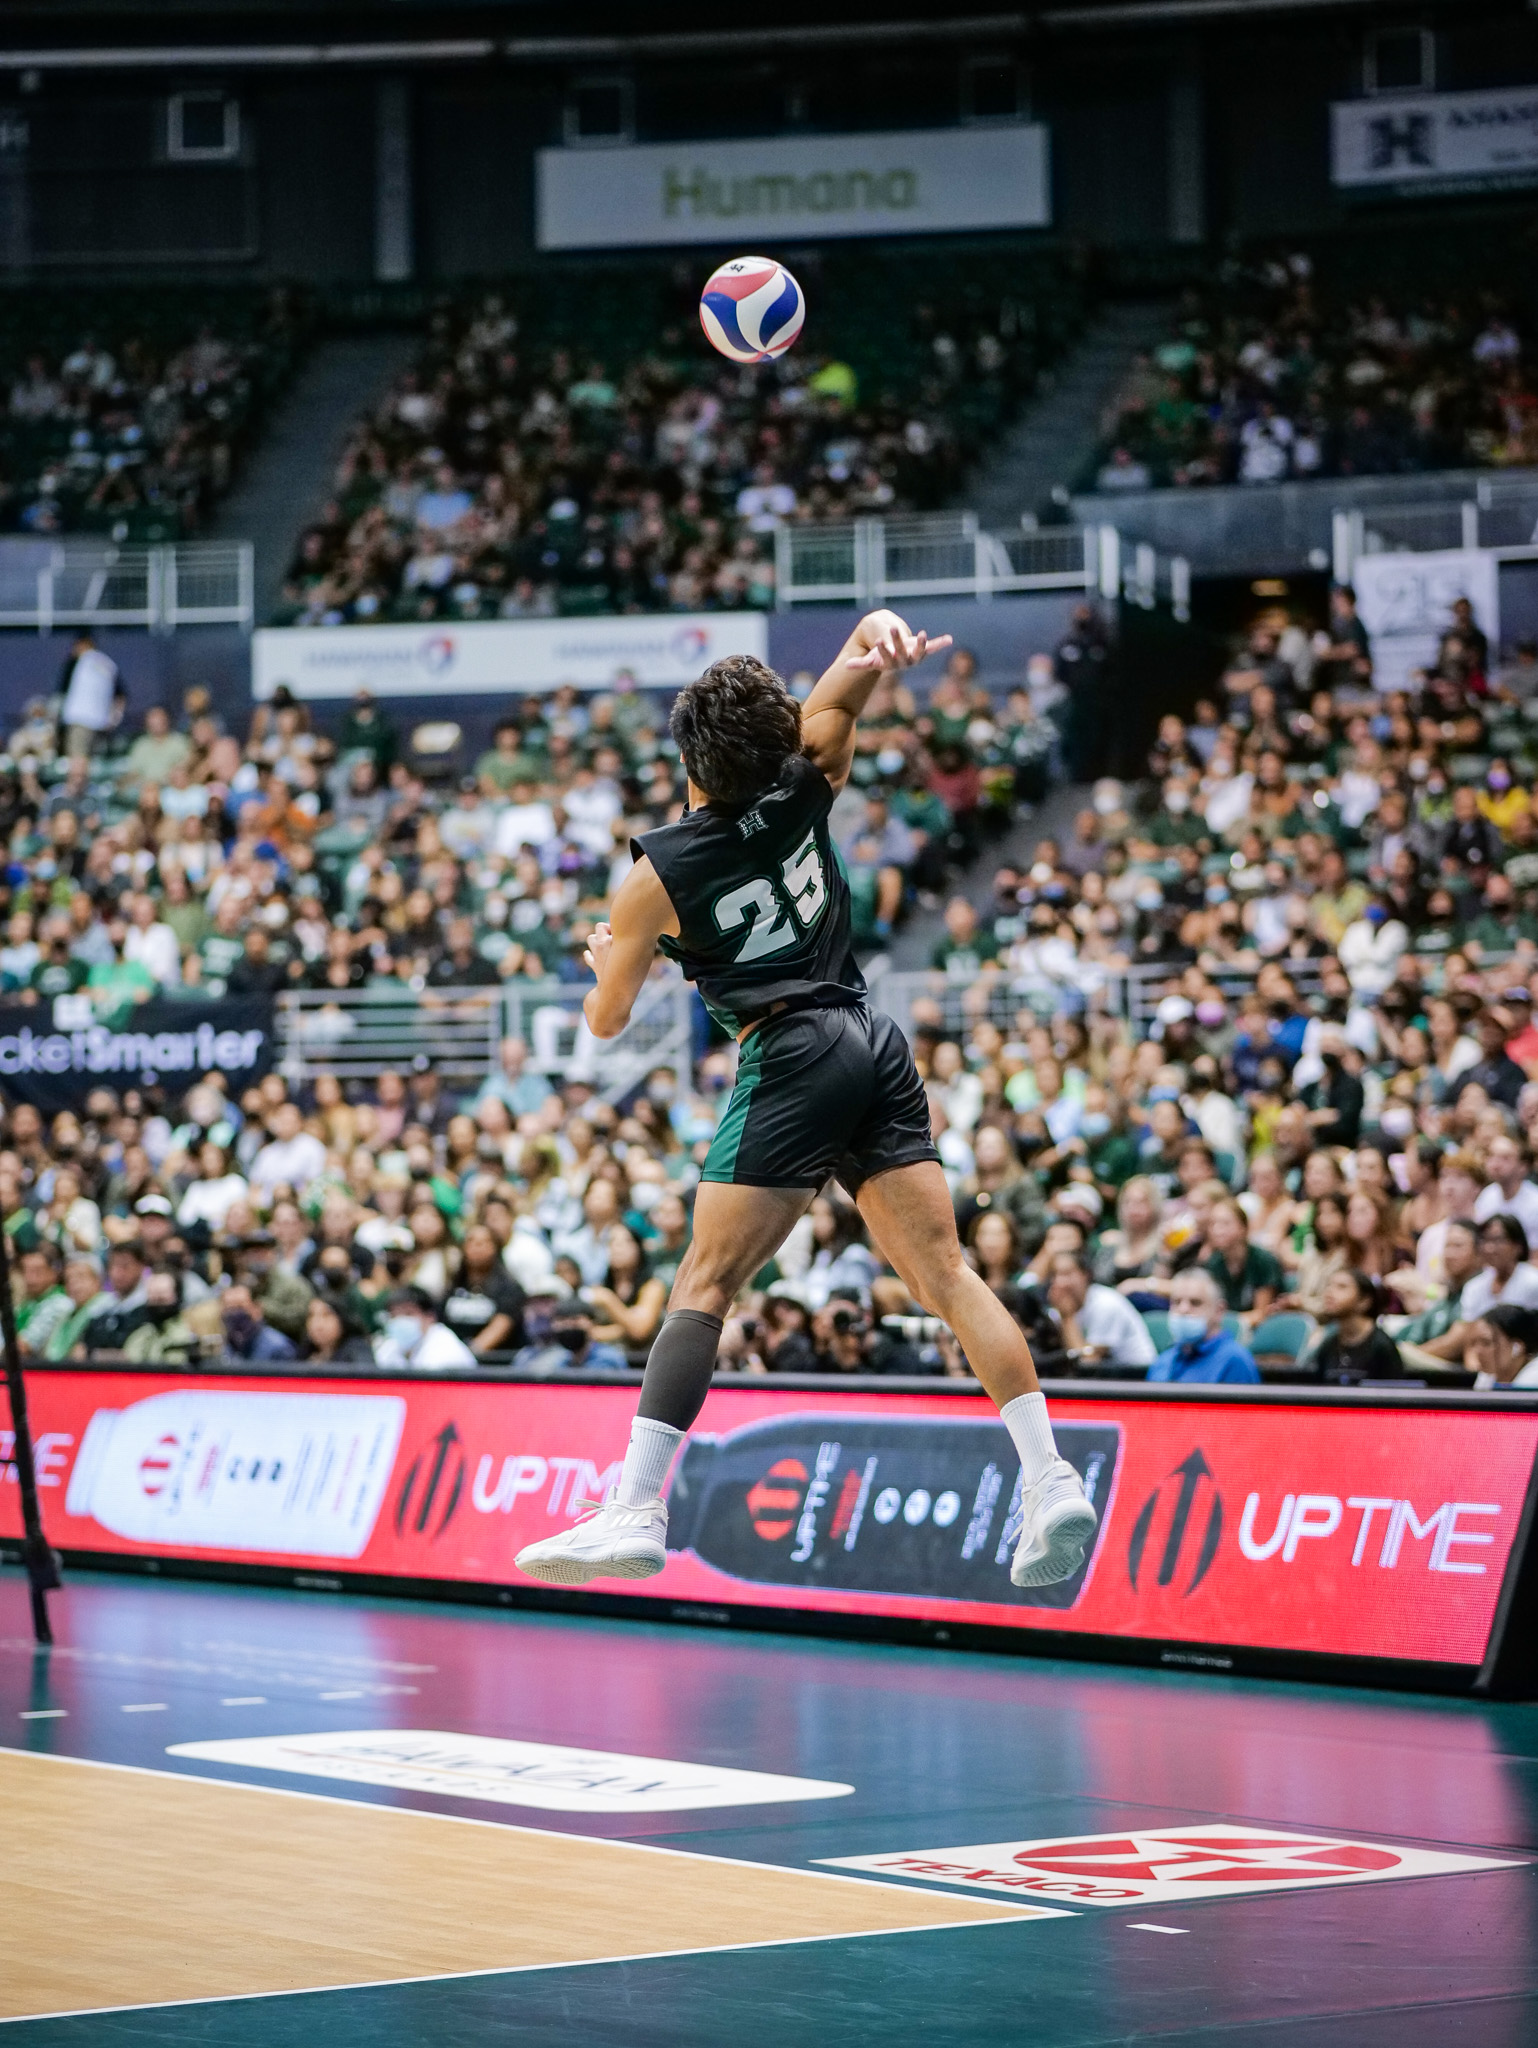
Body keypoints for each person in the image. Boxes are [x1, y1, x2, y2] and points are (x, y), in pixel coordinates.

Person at [516, 613, 1097, 1587]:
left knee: (702, 1281)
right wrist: (873, 633)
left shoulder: (652, 876)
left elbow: (607, 1020)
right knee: (948, 1276)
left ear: (689, 763)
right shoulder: (806, 773)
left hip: (787, 1050)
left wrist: (600, 963)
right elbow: (843, 681)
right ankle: (1048, 1478)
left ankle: (634, 1506)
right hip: (870, 1036)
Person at [1044, 1250, 1157, 1368]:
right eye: (1054, 1275)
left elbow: (1088, 1363)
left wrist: (1067, 1318)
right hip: (1108, 1378)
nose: (1059, 1282)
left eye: (1066, 1274)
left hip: (1138, 1377)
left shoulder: (1106, 1303)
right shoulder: (1057, 1310)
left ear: (1085, 1275)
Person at [1147, 1268, 1260, 1383]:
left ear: (1219, 1310)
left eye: (1195, 1303)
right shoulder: (1163, 1360)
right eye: (1177, 1302)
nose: (1183, 1309)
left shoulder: (1235, 1361)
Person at [1302, 1269, 1404, 1382]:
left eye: (1341, 1287)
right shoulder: (1328, 1344)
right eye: (1328, 1285)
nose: (1329, 1293)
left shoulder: (1382, 1346)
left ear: (1364, 1301)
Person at [372, 1284, 477, 1370]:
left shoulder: (447, 1351)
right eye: (394, 1316)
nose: (400, 1321)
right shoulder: (391, 1346)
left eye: (408, 1314)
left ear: (430, 1317)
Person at [1467, 1303, 1538, 1390]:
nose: (1478, 1351)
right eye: (1474, 1343)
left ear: (1517, 1347)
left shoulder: (1533, 1378)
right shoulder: (1487, 1375)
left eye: (1486, 1343)